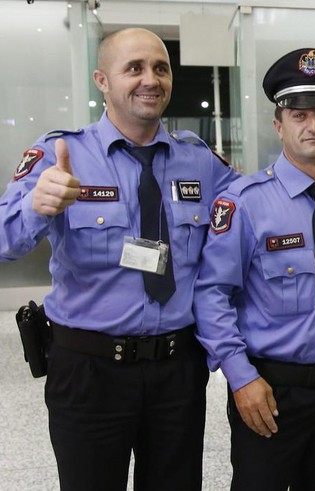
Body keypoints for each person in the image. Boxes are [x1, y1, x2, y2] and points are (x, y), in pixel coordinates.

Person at [0, 28, 238, 490]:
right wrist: (35, 206)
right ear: (101, 80)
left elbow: (254, 213)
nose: (150, 79)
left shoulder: (200, 160)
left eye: (160, 68)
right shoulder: (60, 153)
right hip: (89, 372)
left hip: (177, 369)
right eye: (134, 68)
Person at [193, 47, 315, 491]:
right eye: (298, 115)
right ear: (279, 126)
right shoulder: (245, 202)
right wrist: (241, 379)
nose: (313, 125)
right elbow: (211, 295)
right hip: (271, 390)